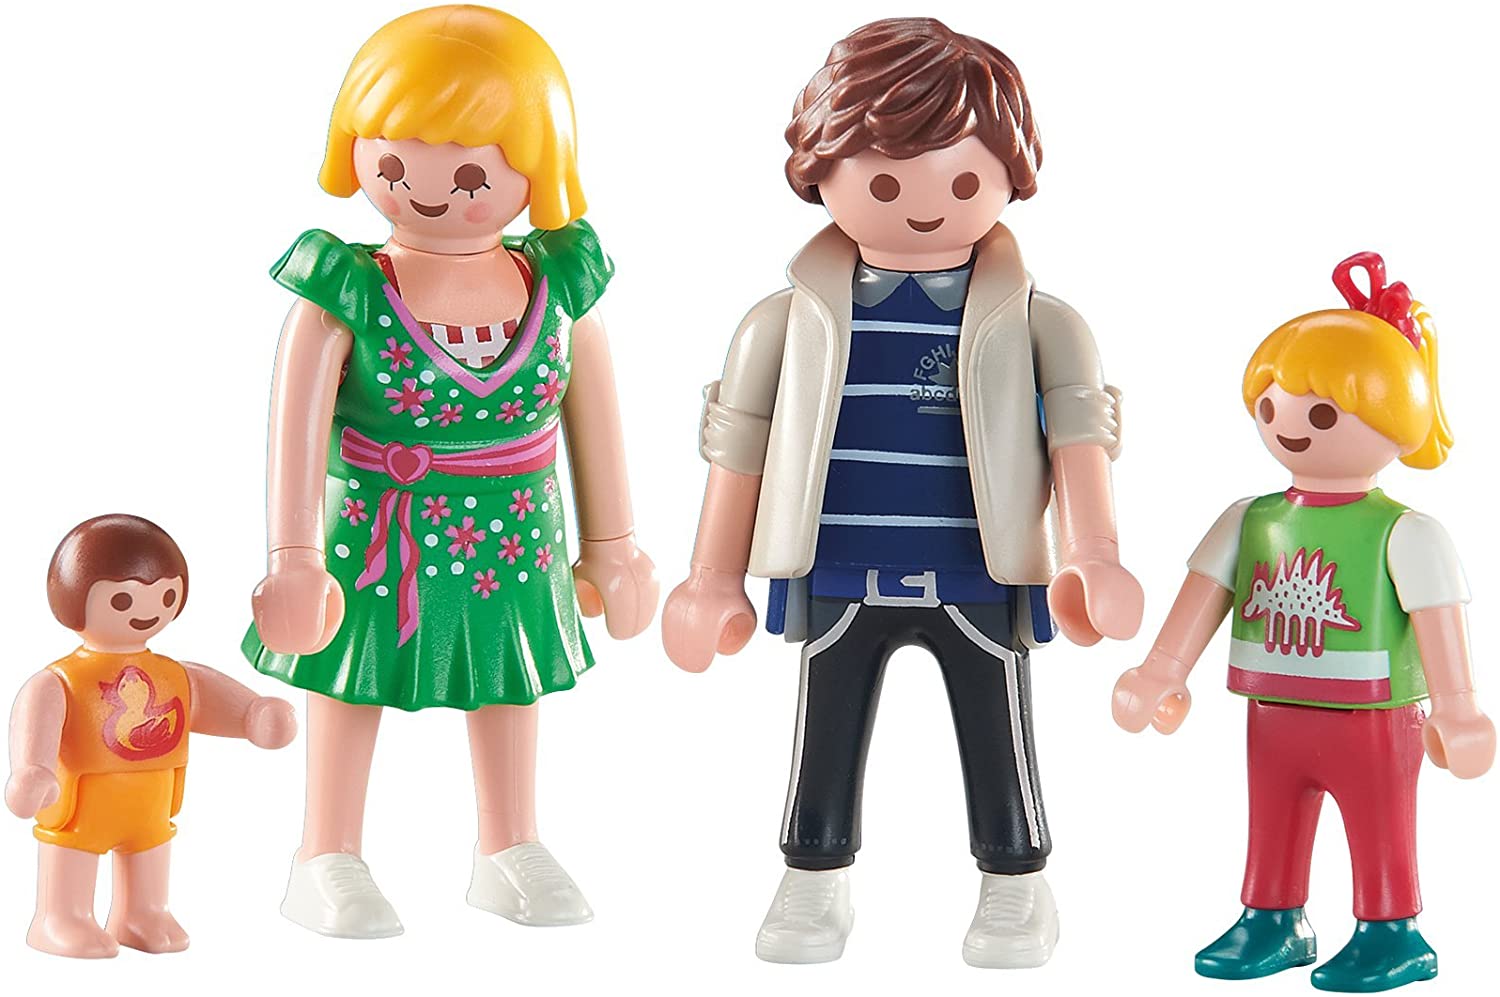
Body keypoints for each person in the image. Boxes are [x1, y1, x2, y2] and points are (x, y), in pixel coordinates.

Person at [663, 17, 1141, 967]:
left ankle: (1016, 883)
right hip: (839, 567)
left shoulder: (1042, 323)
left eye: (962, 183)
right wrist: (712, 576)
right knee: (825, 729)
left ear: (1010, 175)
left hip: (981, 570)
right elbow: (738, 449)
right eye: (883, 183)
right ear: (821, 171)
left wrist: (1095, 556)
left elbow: (1081, 438)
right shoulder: (781, 322)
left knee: (998, 729)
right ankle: (813, 878)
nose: (924, 207)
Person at [244, 6, 657, 938]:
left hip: (516, 526)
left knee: (508, 675)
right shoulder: (344, 290)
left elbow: (595, 415)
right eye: (393, 164)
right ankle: (326, 850)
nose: (426, 192)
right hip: (375, 524)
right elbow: (293, 428)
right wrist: (293, 557)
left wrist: (616, 544)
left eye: (471, 173)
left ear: (539, 165)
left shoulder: (560, 286)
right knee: (348, 672)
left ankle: (509, 843)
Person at [1114, 252, 1495, 992]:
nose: (1288, 426)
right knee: (1272, 815)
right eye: (1271, 407)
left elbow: (1439, 622)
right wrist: (1161, 669)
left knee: (1381, 823)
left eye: (1320, 414)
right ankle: (1272, 917)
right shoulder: (1251, 519)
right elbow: (1203, 594)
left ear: (1395, 420)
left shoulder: (1405, 532)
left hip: (1373, 719)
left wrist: (1459, 708)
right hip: (1274, 707)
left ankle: (1392, 932)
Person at [6, 514, 296, 958]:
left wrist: (252, 715)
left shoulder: (173, 675)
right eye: (123, 599)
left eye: (164, 595)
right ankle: (60, 916)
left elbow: (209, 700)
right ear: (72, 598)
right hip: (81, 806)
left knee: (150, 850)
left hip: (152, 805)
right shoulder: (60, 681)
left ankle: (142, 913)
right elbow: (35, 722)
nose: (147, 611)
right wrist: (33, 770)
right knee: (74, 851)